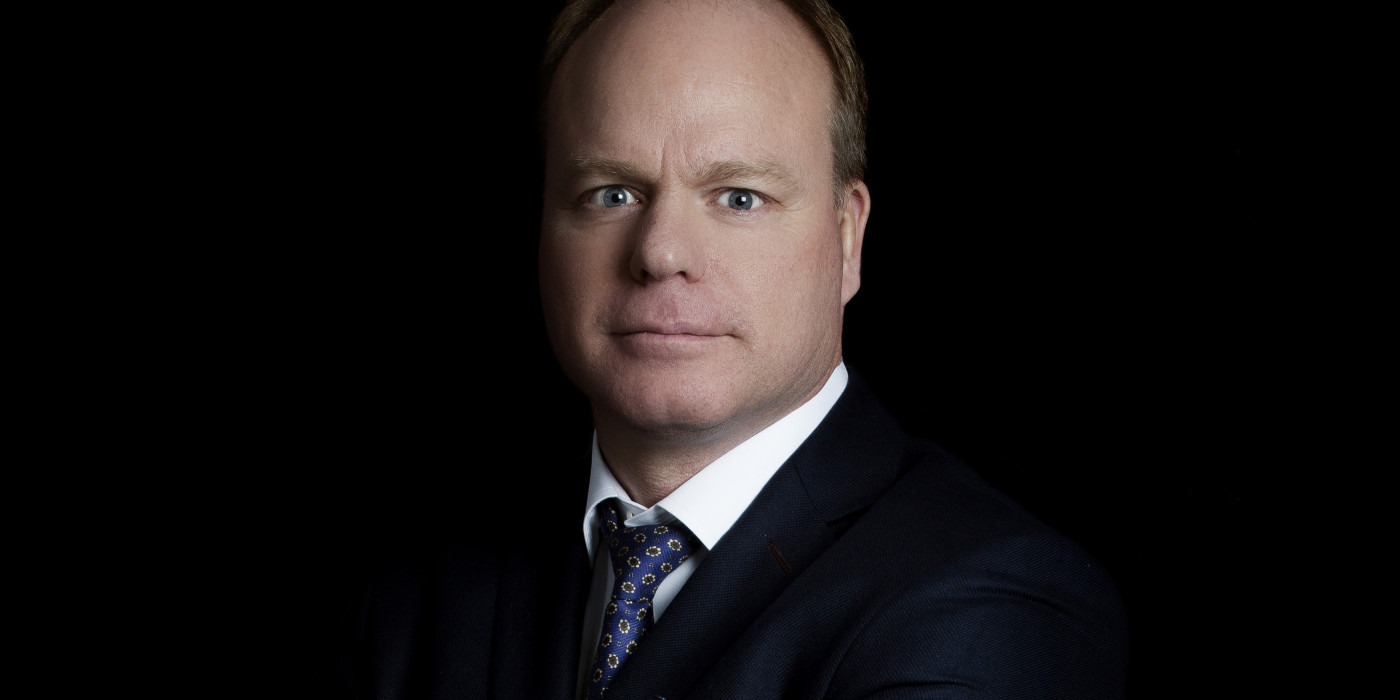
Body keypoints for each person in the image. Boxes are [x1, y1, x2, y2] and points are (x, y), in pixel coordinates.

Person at [328, 1, 1130, 697]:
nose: (660, 252)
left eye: (739, 197)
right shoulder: (419, 594)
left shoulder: (994, 604)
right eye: (611, 193)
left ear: (847, 238)